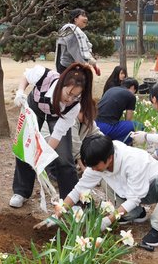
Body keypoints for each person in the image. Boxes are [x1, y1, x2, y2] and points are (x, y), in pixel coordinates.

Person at [52, 134, 158, 247]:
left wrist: (108, 220)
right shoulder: (99, 162)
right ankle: (136, 214)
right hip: (130, 191)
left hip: (154, 188)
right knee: (102, 178)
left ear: (109, 158)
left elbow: (134, 198)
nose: (93, 169)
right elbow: (78, 190)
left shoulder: (132, 160)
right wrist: (56, 216)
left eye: (95, 166)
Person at [11, 63, 96, 208]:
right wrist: (20, 92)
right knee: (26, 146)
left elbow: (58, 133)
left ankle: (70, 199)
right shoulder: (43, 75)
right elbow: (26, 75)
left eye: (76, 96)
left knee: (64, 157)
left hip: (58, 116)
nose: (70, 99)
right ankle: (21, 191)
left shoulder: (73, 106)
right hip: (36, 106)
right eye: (69, 93)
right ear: (62, 83)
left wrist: (44, 155)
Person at [55, 8, 101, 76]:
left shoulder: (78, 32)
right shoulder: (71, 31)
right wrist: (86, 65)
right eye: (83, 15)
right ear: (75, 19)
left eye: (86, 16)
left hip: (71, 67)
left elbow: (86, 52)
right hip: (67, 68)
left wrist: (94, 64)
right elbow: (76, 51)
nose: (86, 18)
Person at [96, 77, 140, 144]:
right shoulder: (131, 95)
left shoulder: (111, 89)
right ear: (133, 87)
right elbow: (128, 119)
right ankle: (119, 145)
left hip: (95, 124)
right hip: (107, 127)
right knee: (138, 126)